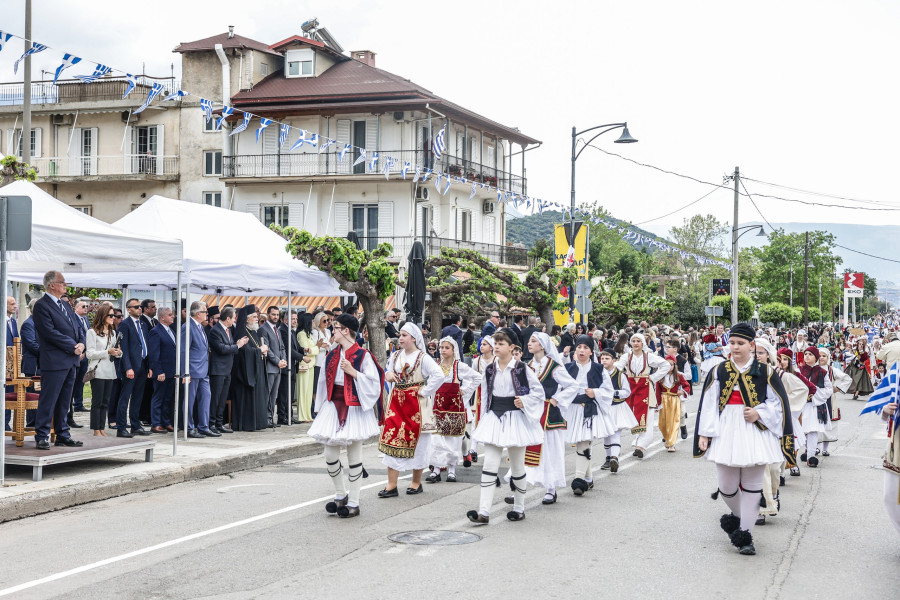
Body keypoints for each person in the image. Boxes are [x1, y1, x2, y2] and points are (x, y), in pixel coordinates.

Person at [694, 323, 791, 556]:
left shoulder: (765, 371)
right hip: (725, 428)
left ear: (751, 345)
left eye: (740, 343)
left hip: (755, 429)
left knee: (752, 485)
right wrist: (704, 433)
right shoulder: (719, 370)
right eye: (733, 343)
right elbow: (709, 402)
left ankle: (746, 536)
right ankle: (739, 521)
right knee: (726, 486)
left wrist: (759, 413)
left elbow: (778, 403)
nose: (735, 347)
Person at [309, 313, 384, 518]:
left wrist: (353, 372)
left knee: (354, 457)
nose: (333, 330)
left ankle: (354, 501)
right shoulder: (332, 354)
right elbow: (323, 381)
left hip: (353, 406)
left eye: (336, 327)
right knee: (330, 454)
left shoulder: (362, 355)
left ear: (346, 330)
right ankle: (340, 493)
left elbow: (374, 384)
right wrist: (321, 406)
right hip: (334, 404)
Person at [467, 328, 544, 524]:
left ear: (511, 347)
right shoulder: (489, 369)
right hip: (494, 417)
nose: (496, 347)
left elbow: (538, 393)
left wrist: (524, 401)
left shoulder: (522, 369)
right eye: (495, 343)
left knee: (517, 466)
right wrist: (482, 419)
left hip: (516, 418)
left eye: (501, 344)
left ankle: (519, 507)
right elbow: (485, 396)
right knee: (489, 465)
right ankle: (483, 512)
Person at [378, 323, 443, 497]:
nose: (400, 338)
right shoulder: (396, 355)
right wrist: (389, 375)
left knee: (419, 444)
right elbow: (388, 371)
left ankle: (416, 482)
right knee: (392, 439)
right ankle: (391, 485)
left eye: (404, 335)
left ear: (414, 338)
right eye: (400, 335)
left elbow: (439, 375)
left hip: (417, 405)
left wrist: (425, 391)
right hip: (397, 404)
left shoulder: (423, 357)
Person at [513, 332, 577, 504]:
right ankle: (520, 488)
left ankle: (551, 488)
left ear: (542, 345)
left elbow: (572, 385)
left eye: (533, 341)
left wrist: (558, 399)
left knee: (549, 451)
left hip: (549, 414)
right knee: (525, 450)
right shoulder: (527, 365)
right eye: (530, 340)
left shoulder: (554, 367)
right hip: (531, 413)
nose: (529, 344)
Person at [32, 271, 86, 450]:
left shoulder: (66, 305)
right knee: (49, 399)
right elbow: (49, 332)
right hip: (54, 361)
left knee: (65, 401)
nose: (65, 286)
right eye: (62, 283)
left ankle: (63, 433)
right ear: (51, 285)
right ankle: (41, 435)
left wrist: (81, 343)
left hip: (70, 360)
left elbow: (77, 327)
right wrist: (73, 346)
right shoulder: (42, 305)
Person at [426, 337, 481, 483]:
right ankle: (437, 469)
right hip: (438, 407)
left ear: (453, 350)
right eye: (441, 347)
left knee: (453, 439)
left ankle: (451, 470)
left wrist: (464, 391)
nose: (443, 350)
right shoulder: (435, 365)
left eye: (446, 348)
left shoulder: (459, 366)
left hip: (454, 408)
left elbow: (477, 377)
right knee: (437, 439)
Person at [616, 333, 671, 458]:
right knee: (635, 416)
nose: (635, 343)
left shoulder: (648, 356)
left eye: (638, 341)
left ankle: (642, 446)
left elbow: (666, 365)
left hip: (645, 389)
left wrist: (653, 378)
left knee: (647, 417)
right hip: (631, 389)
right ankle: (637, 442)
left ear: (642, 343)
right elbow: (618, 367)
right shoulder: (626, 356)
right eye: (633, 341)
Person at [115, 299, 153, 438]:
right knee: (125, 396)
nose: (139, 309)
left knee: (138, 397)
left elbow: (145, 345)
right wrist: (128, 368)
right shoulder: (125, 324)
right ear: (128, 309)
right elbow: (123, 347)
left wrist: (149, 366)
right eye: (136, 307)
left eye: (140, 307)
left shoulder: (143, 324)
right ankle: (121, 427)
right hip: (131, 366)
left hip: (142, 365)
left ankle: (136, 425)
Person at [84, 303, 123, 437]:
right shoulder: (92, 332)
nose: (114, 318)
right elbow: (90, 354)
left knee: (106, 401)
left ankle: (102, 428)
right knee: (97, 401)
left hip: (110, 370)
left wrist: (118, 352)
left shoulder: (113, 333)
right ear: (103, 316)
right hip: (98, 370)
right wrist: (107, 351)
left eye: (114, 316)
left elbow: (115, 352)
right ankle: (96, 429)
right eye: (111, 315)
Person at [207, 307, 247, 434]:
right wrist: (237, 345)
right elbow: (221, 348)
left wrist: (236, 344)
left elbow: (228, 347)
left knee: (222, 397)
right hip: (218, 369)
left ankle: (219, 423)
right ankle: (211, 423)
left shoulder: (228, 330)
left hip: (227, 369)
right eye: (234, 317)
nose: (235, 320)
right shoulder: (215, 330)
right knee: (215, 398)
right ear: (228, 318)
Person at [183, 301, 219, 438]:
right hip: (192, 370)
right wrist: (184, 372)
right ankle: (189, 427)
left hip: (203, 370)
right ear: (198, 314)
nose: (207, 314)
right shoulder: (188, 327)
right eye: (205, 312)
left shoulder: (199, 326)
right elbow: (183, 351)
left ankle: (204, 426)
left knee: (206, 397)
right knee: (189, 400)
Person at [232, 305, 270, 431]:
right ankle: (247, 424)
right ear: (247, 319)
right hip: (244, 374)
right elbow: (244, 353)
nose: (257, 319)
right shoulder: (241, 332)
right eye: (254, 317)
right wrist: (259, 350)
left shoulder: (254, 331)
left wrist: (262, 351)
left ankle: (258, 422)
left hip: (256, 369)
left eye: (256, 317)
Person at [599, 349, 636, 473]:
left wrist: (614, 392)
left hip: (617, 407)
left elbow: (627, 392)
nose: (604, 360)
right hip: (604, 408)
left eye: (607, 358)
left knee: (615, 433)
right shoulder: (598, 374)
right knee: (606, 434)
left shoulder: (620, 375)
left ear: (614, 361)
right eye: (602, 358)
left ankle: (614, 458)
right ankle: (608, 457)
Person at [797, 347, 833, 468]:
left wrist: (815, 393)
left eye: (810, 354)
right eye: (805, 354)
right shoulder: (799, 371)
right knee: (803, 430)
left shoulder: (822, 372)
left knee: (812, 430)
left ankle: (811, 456)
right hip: (800, 405)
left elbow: (829, 389)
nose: (807, 356)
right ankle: (808, 450)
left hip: (814, 405)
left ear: (816, 358)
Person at [147, 306, 177, 434]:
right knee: (159, 397)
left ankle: (166, 422)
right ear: (162, 317)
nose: (173, 316)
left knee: (167, 398)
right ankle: (156, 423)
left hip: (171, 371)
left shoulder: (171, 331)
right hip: (162, 371)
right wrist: (159, 371)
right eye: (170, 315)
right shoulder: (156, 331)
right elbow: (154, 353)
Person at [656, 353, 691, 452]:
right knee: (663, 423)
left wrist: (682, 391)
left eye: (671, 364)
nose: (669, 366)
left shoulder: (679, 376)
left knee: (674, 421)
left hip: (674, 400)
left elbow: (687, 386)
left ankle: (672, 444)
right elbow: (657, 391)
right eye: (667, 364)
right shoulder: (660, 376)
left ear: (674, 365)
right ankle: (667, 439)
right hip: (663, 400)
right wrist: (657, 404)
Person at [259, 306, 287, 427]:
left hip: (278, 367)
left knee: (274, 395)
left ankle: (271, 418)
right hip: (269, 367)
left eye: (277, 315)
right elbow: (267, 349)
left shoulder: (277, 329)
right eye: (273, 314)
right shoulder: (263, 329)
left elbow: (282, 347)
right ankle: (265, 418)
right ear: (268, 314)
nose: (275, 317)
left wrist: (284, 359)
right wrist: (277, 361)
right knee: (267, 393)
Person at [880, 400, 900, 535]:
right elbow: (884, 409)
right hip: (897, 446)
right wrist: (885, 410)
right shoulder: (896, 380)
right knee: (890, 495)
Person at [70, 299, 90, 418]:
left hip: (85, 354)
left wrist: (86, 352)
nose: (86, 308)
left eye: (87, 306)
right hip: (77, 353)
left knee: (81, 380)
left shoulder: (85, 319)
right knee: (74, 380)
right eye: (83, 306)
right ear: (76, 308)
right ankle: (72, 403)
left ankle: (79, 403)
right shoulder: (73, 319)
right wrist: (79, 352)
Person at [296, 312, 317, 422]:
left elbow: (312, 349)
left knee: (309, 392)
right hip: (304, 365)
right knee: (303, 391)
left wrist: (314, 349)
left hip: (311, 364)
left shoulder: (309, 334)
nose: (313, 322)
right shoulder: (301, 334)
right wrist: (316, 348)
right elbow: (306, 350)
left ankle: (308, 415)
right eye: (312, 320)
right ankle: (302, 415)